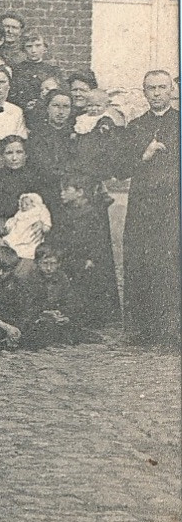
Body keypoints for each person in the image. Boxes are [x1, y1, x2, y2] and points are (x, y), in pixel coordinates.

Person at [117, 70, 180, 345]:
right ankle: (143, 326)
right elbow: (120, 169)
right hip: (143, 204)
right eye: (151, 88)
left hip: (173, 204)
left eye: (162, 87)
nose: (157, 93)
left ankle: (172, 324)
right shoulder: (135, 126)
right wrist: (145, 154)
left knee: (170, 259)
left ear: (172, 91)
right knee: (141, 259)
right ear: (143, 93)